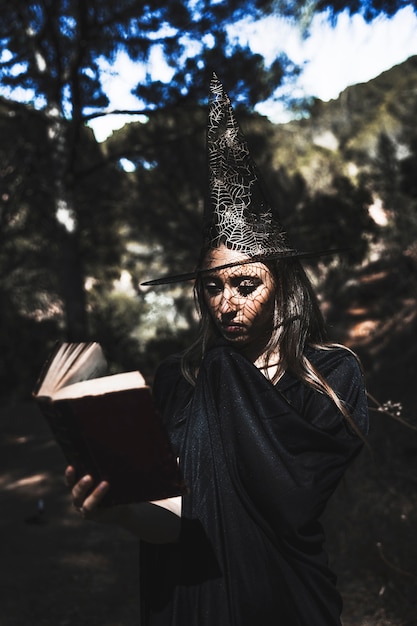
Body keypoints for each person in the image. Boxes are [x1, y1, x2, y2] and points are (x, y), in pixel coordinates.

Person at [65, 73, 369, 626]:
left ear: (283, 284)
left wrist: (227, 374)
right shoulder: (177, 380)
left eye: (246, 285)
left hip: (288, 605)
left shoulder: (329, 374)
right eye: (211, 287)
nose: (226, 304)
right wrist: (122, 509)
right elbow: (175, 518)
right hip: (187, 601)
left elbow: (294, 502)